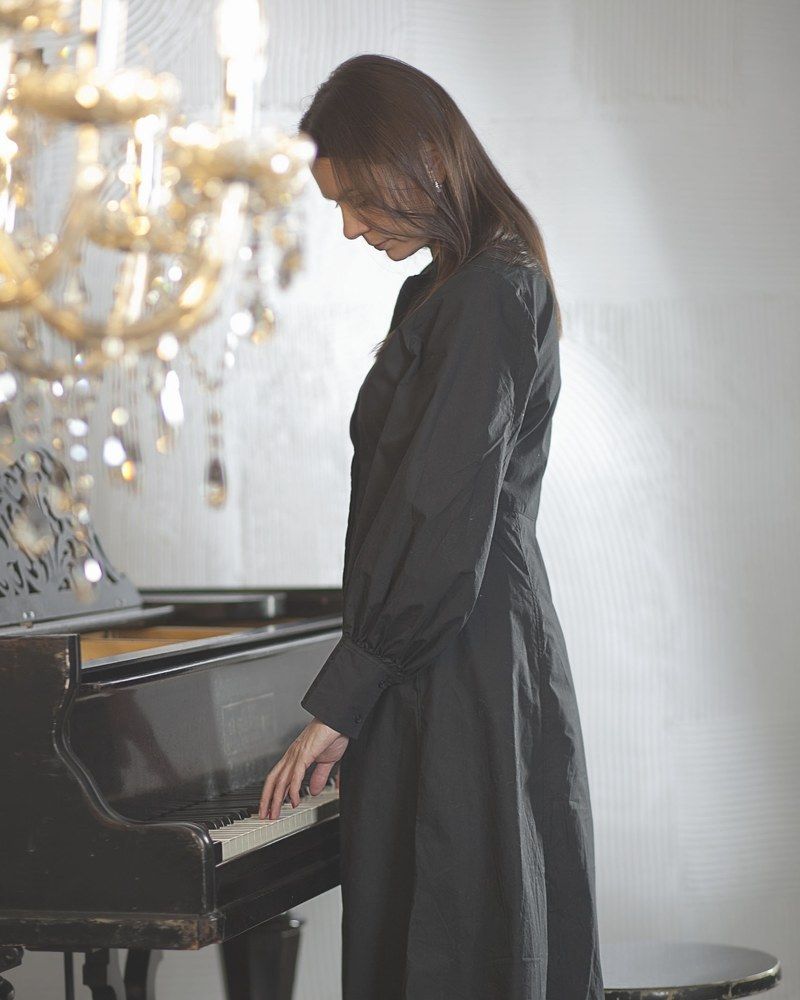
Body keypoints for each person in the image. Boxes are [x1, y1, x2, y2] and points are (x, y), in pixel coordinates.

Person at [258, 53, 604, 1000]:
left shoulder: (488, 292)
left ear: (421, 161)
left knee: (454, 947)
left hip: (462, 660)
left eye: (357, 198)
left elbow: (438, 515)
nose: (349, 226)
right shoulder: (448, 289)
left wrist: (344, 698)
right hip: (447, 649)